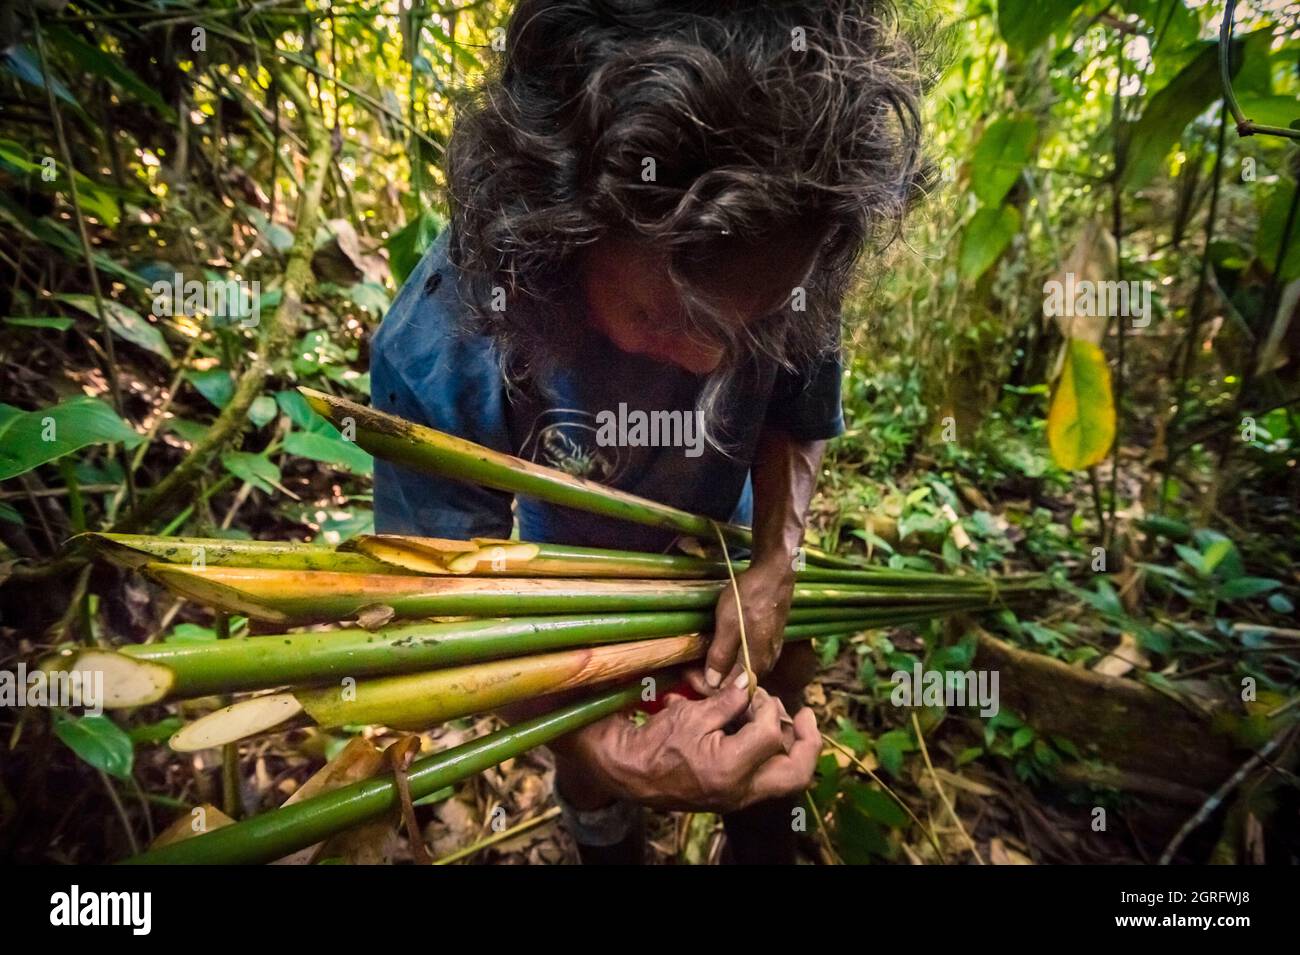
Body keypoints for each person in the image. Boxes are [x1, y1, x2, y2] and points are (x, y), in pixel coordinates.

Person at [371, 0, 929, 863]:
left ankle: (765, 839)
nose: (712, 363)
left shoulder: (788, 252)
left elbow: (798, 402)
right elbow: (441, 612)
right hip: (569, 585)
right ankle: (608, 840)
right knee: (595, 776)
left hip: (728, 541)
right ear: (564, 231)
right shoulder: (447, 338)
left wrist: (776, 559)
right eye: (664, 314)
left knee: (774, 689)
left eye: (751, 325)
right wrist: (598, 748)